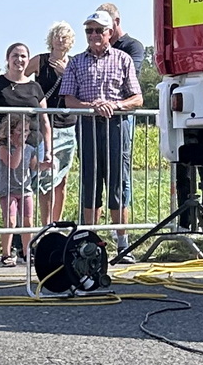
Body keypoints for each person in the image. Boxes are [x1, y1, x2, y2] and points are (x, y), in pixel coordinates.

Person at [59, 12, 143, 226]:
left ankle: (122, 240)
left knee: (117, 182)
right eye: (89, 30)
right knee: (90, 182)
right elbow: (69, 100)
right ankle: (91, 236)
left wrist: (115, 105)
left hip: (116, 126)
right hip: (87, 127)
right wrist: (93, 106)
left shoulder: (123, 59)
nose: (94, 35)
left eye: (99, 30)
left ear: (109, 32)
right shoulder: (75, 62)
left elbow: (137, 98)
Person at [0, 42, 45, 264]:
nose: (19, 60)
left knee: (28, 217)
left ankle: (27, 251)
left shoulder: (35, 87)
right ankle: (7, 252)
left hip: (29, 167)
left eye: (23, 56)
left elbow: (45, 118)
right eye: (15, 55)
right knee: (10, 218)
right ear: (7, 58)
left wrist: (47, 157)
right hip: (8, 173)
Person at [31, 22, 79, 227]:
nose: (61, 39)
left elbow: (82, 88)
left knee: (62, 179)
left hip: (68, 124)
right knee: (47, 177)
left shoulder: (75, 63)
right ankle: (45, 224)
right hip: (45, 126)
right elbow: (19, 78)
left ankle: (56, 224)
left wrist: (67, 72)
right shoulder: (40, 61)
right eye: (57, 35)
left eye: (65, 36)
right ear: (50, 38)